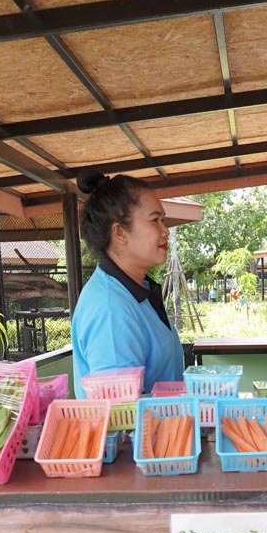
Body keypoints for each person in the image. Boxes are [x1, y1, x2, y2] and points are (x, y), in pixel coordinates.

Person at [69, 169, 183, 396]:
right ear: (120, 232)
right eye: (155, 220)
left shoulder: (136, 290)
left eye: (163, 220)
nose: (165, 231)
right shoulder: (110, 309)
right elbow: (119, 416)